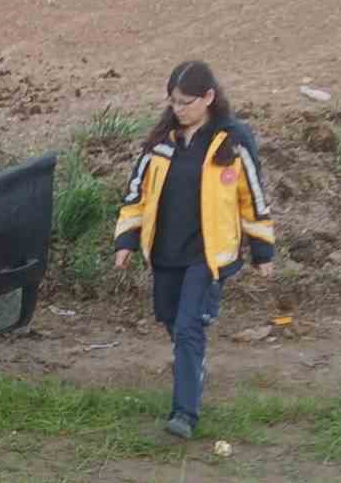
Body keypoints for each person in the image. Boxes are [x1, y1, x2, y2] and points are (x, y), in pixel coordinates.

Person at [112, 60, 275, 440]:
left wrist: (263, 251)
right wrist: (126, 241)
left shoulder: (232, 142)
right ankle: (193, 363)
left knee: (188, 327)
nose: (178, 110)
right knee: (169, 318)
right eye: (173, 102)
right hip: (166, 251)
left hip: (209, 254)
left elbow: (253, 196)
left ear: (208, 98)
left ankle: (184, 413)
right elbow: (136, 194)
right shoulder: (161, 143)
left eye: (186, 103)